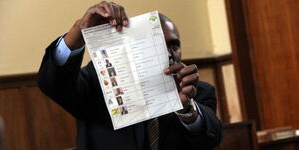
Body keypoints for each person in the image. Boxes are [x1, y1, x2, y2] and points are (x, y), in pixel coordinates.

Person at [37, 1, 222, 150]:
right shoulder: (99, 82)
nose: (167, 53)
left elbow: (210, 140)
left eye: (174, 45)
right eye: (156, 43)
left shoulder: (198, 92)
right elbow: (53, 84)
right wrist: (78, 31)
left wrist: (186, 109)